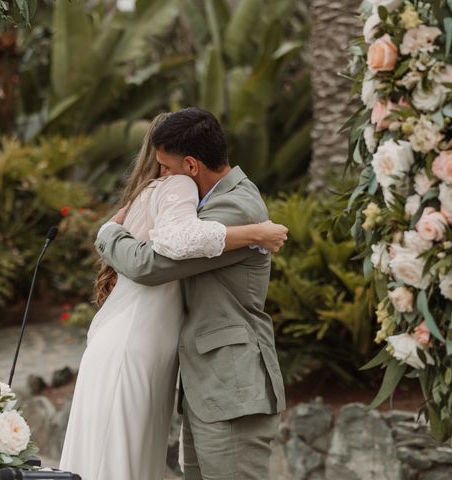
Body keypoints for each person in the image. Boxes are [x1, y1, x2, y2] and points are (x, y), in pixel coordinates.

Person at [59, 110, 287, 480]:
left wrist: (108, 236)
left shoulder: (237, 208)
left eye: (165, 168)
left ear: (192, 165)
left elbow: (152, 266)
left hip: (232, 388)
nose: (162, 177)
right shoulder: (204, 204)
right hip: (208, 388)